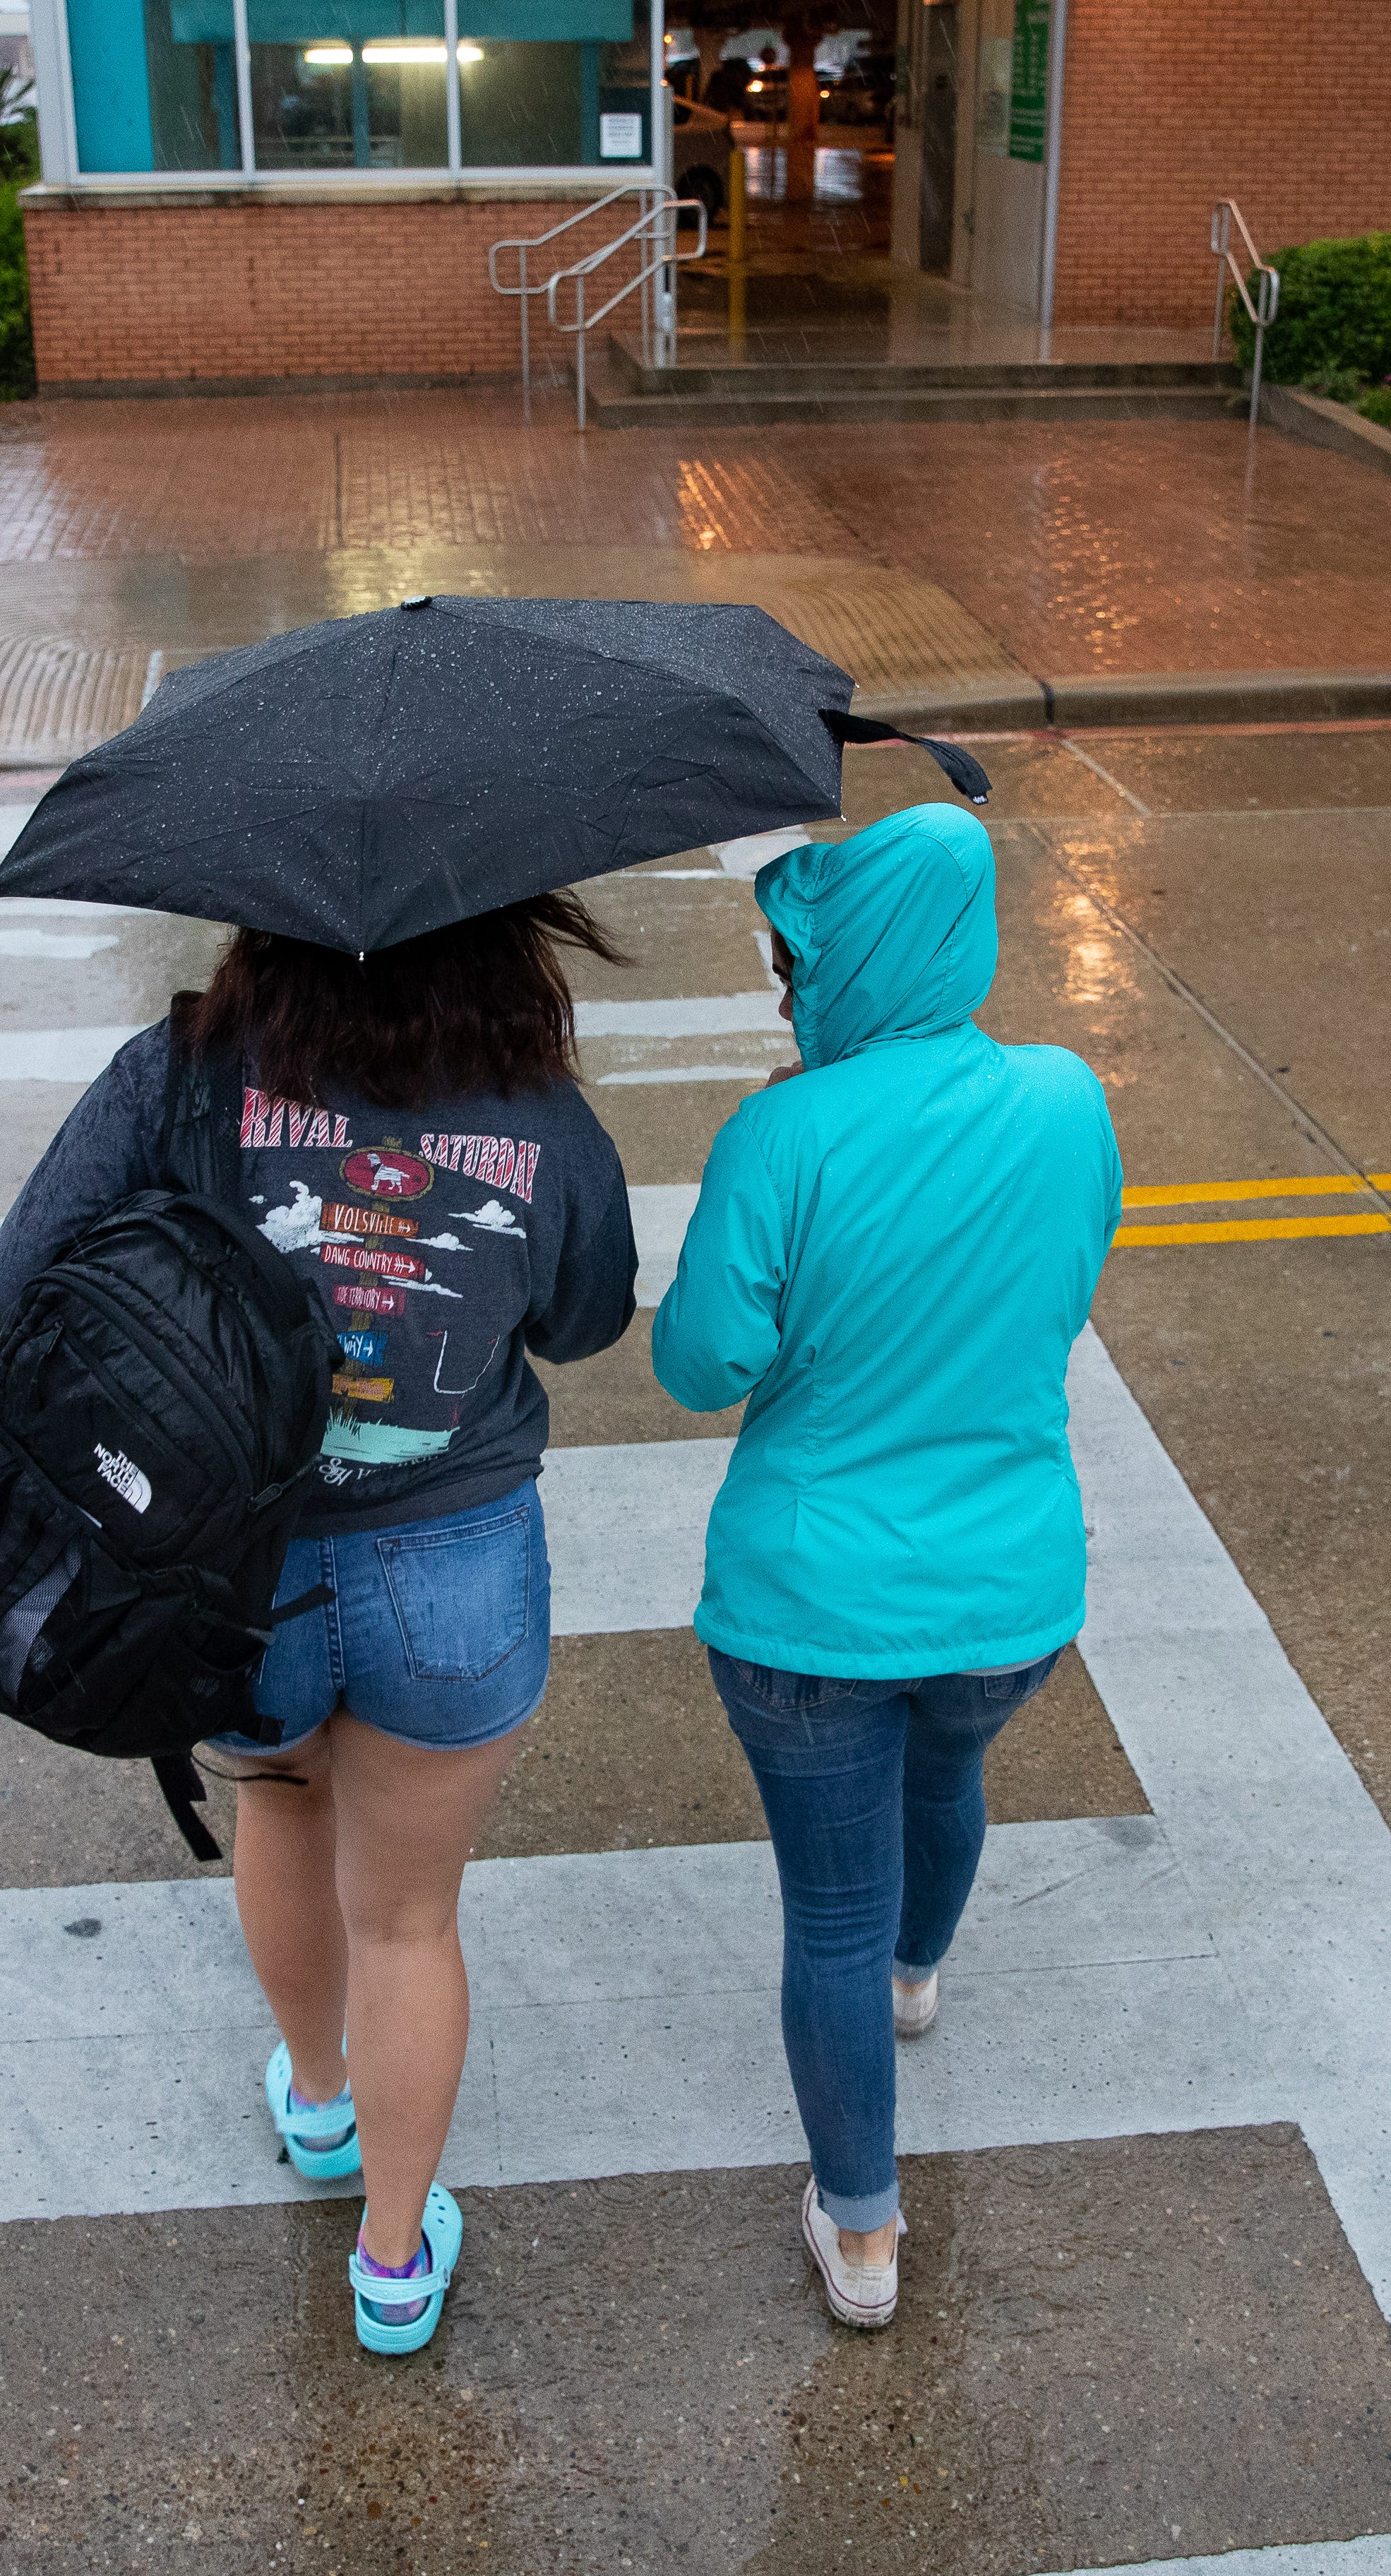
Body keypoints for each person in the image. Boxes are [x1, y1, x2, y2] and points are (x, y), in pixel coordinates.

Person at [0, 898, 639, 2354]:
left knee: (277, 1808)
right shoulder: (534, 1110)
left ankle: (320, 2099)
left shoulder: (182, 1075)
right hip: (456, 1562)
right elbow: (589, 1319)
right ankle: (394, 2263)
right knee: (410, 1915)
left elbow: (15, 1283)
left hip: (233, 1561)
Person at [652, 802, 1121, 2331]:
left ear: (854, 954)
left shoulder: (783, 1134)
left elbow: (704, 1362)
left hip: (810, 1612)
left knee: (824, 1917)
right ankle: (924, 1974)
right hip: (1011, 1598)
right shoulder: (1068, 1102)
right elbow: (1053, 1289)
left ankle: (862, 2232)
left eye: (798, 955)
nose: (786, 984)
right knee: (949, 1774)